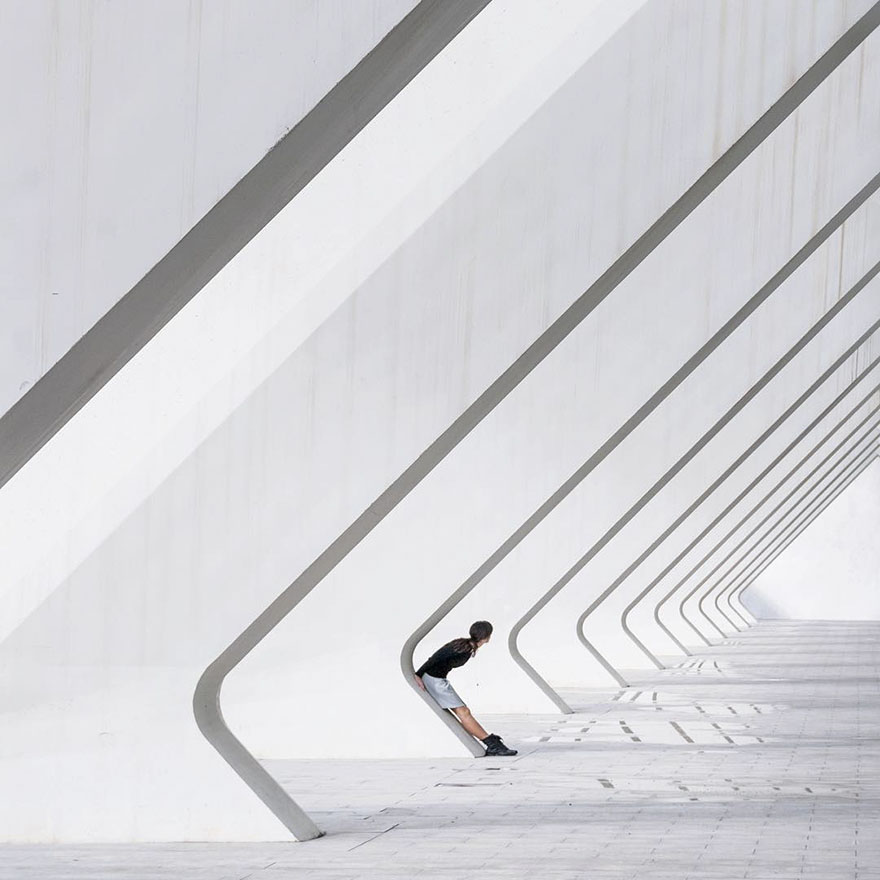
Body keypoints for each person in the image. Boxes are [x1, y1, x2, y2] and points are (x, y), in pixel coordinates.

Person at [414, 620, 517, 757]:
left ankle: (492, 743)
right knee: (464, 712)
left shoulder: (465, 645)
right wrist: (417, 675)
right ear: (487, 637)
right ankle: (493, 744)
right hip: (434, 680)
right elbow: (435, 658)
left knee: (463, 712)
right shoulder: (463, 648)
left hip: (437, 679)